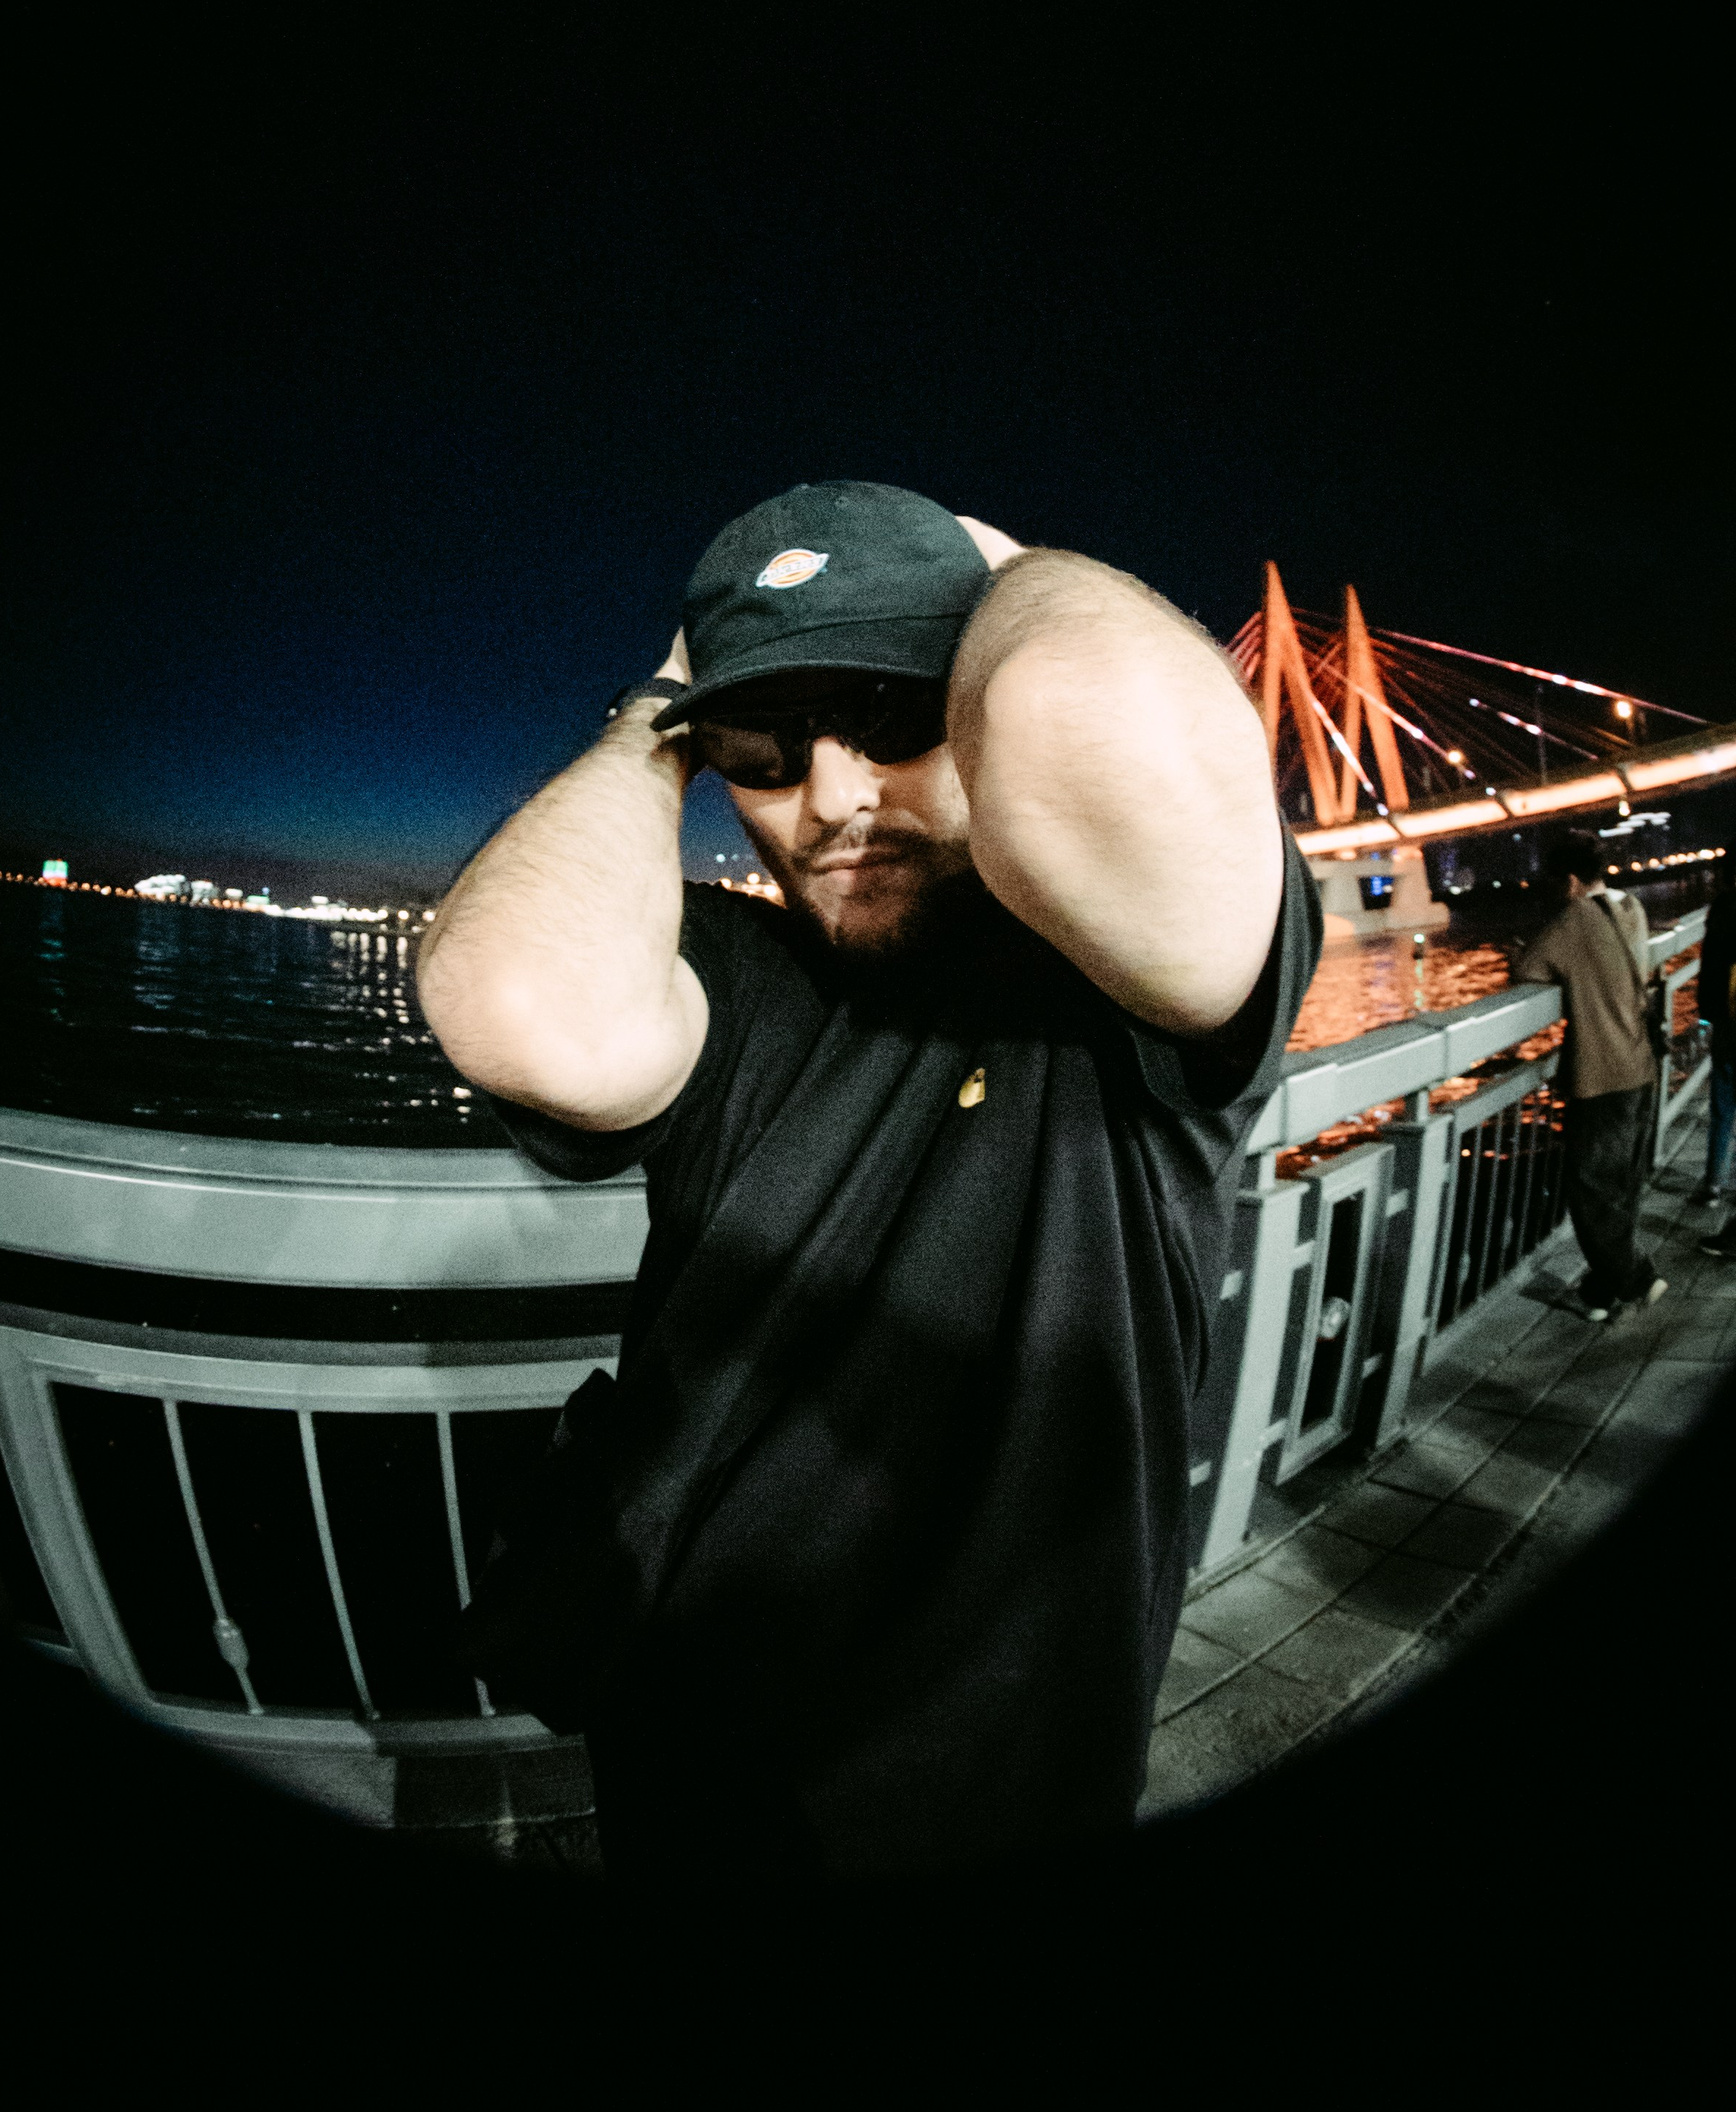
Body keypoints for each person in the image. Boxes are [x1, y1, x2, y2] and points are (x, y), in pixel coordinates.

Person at [416, 479, 1318, 1883]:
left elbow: (1084, 717)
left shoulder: (1118, 993)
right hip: (679, 1749)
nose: (833, 797)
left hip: (996, 1785)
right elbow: (519, 1008)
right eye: (762, 747)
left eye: (895, 716)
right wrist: (654, 716)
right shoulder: (730, 975)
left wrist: (1003, 566)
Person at [1518, 828, 1667, 1324]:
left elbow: (1529, 967)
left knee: (1590, 1189)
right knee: (1620, 1184)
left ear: (1570, 880)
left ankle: (1637, 1277)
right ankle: (1600, 1292)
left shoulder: (1572, 919)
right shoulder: (1632, 907)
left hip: (1600, 1074)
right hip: (1641, 1063)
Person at [1692, 867, 1735, 1252]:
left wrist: (1706, 1015)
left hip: (1730, 1025)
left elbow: (1712, 968)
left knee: (1723, 1106)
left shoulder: (1725, 908)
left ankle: (1712, 1185)